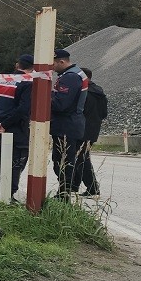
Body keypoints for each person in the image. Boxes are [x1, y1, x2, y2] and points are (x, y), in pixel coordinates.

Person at [0, 54, 34, 200]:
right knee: (16, 162)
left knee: (1, 160)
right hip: (16, 128)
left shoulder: (3, 80)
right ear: (33, 68)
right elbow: (23, 109)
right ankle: (8, 195)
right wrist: (5, 124)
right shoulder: (28, 82)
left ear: (17, 65)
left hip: (0, 128)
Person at [49, 49, 88, 196]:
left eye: (53, 63)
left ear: (62, 61)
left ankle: (64, 195)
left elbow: (61, 104)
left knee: (62, 163)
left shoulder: (70, 77)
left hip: (66, 125)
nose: (51, 67)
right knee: (65, 162)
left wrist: (48, 95)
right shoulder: (75, 73)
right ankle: (64, 192)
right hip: (71, 124)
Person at [77, 67, 108, 196]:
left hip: (82, 128)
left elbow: (78, 111)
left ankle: (92, 187)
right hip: (93, 129)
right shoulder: (99, 92)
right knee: (80, 157)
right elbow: (104, 113)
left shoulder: (84, 92)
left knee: (81, 158)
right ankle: (73, 185)